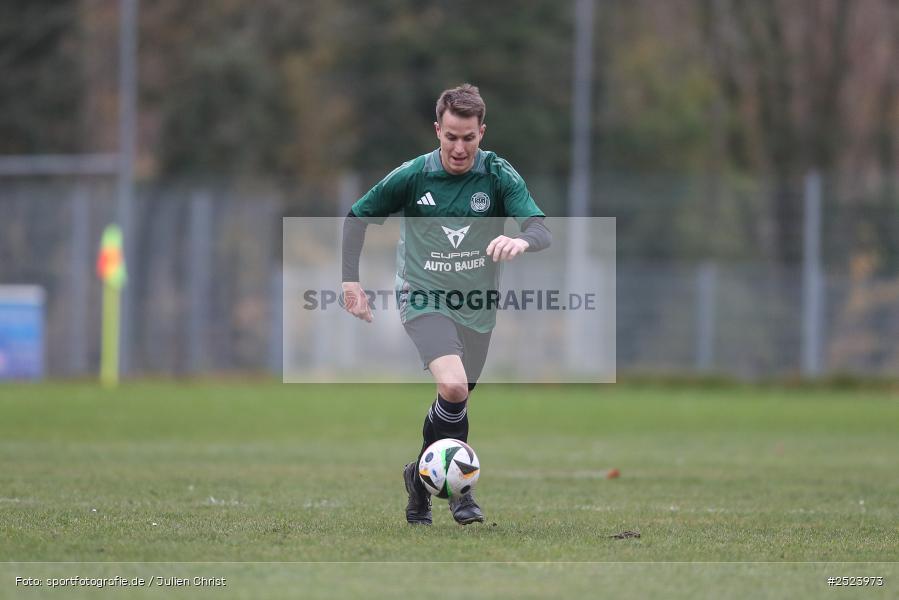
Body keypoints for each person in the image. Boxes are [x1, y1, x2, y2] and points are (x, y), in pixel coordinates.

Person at [341, 84, 551, 525]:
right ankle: (461, 494)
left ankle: (418, 482)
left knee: (454, 400)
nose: (459, 148)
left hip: (478, 305)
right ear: (437, 130)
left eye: (468, 138)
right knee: (454, 387)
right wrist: (350, 282)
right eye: (451, 136)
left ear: (482, 133)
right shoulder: (413, 176)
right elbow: (357, 217)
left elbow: (539, 228)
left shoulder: (497, 175)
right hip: (422, 295)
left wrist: (521, 240)